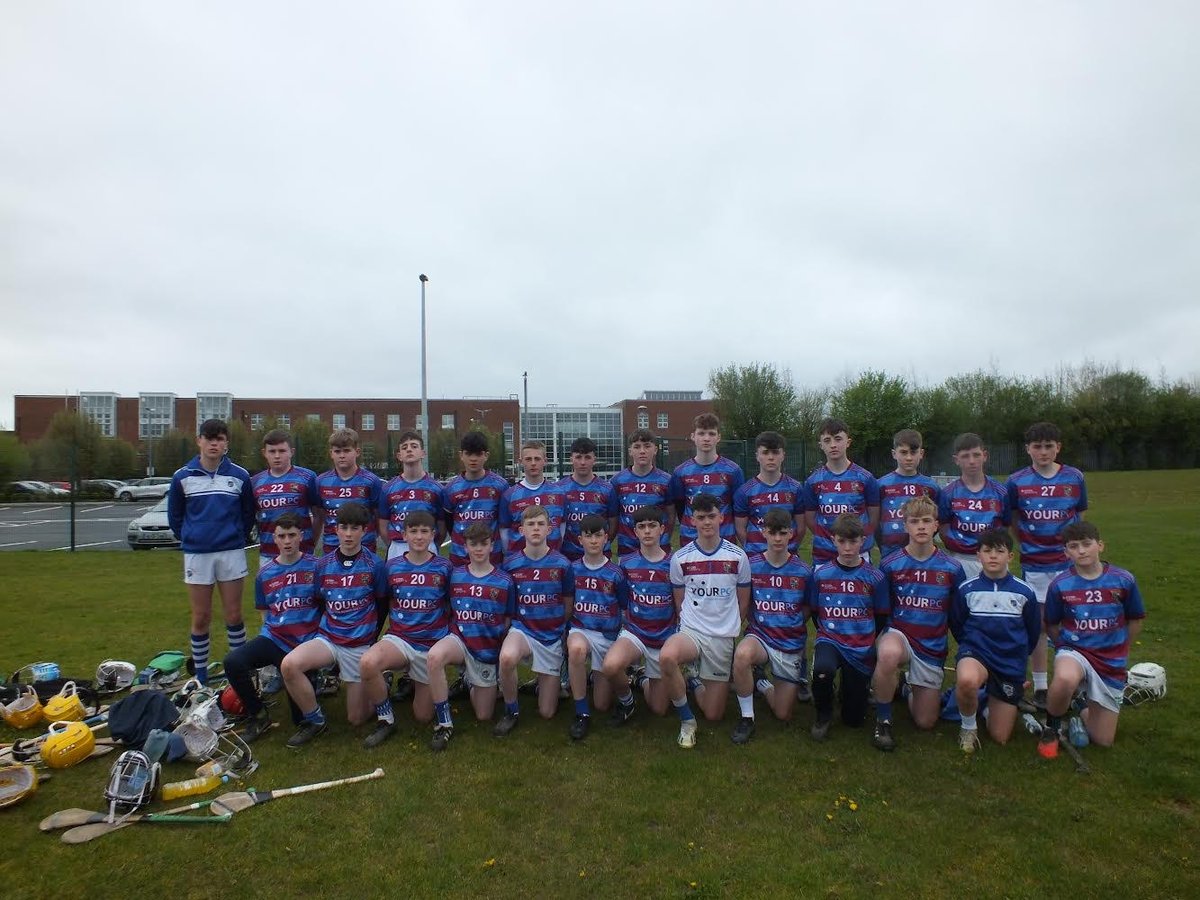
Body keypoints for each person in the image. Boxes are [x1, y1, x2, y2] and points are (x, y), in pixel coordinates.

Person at [280, 502, 386, 749]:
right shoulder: (322, 565)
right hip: (328, 638)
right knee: (289, 665)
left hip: (358, 643)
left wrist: (371, 636)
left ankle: (377, 680)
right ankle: (316, 720)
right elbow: (319, 601)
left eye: (354, 528)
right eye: (343, 527)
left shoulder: (375, 565)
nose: (348, 534)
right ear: (335, 530)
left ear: (364, 530)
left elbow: (382, 604)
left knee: (356, 719)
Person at [1038, 522, 1146, 756]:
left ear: (1100, 545)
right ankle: (1052, 727)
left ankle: (1081, 705)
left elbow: (1135, 620)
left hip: (1110, 660)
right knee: (1065, 677)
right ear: (1066, 553)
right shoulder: (1060, 585)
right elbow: (1052, 625)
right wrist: (1063, 648)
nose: (1082, 551)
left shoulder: (1123, 580)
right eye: (1074, 547)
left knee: (1103, 740)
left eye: (1087, 544)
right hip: (1075, 651)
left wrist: (1120, 647)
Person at [167, 418, 256, 686]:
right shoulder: (182, 477)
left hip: (231, 552)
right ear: (199, 441)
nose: (214, 443)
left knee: (234, 615)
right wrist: (194, 538)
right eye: (209, 438)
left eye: (219, 439)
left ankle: (237, 674)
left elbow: (248, 514)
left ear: (226, 443)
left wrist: (234, 537)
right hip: (197, 555)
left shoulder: (239, 476)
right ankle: (201, 678)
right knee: (201, 617)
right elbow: (175, 517)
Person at [872, 497, 965, 751]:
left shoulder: (952, 568)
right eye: (914, 521)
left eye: (926, 521)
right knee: (889, 654)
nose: (921, 527)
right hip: (900, 635)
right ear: (905, 526)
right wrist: (878, 643)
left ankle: (905, 689)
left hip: (931, 645)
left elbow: (957, 617)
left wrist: (967, 652)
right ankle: (883, 719)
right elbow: (882, 611)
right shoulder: (890, 564)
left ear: (936, 525)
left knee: (925, 722)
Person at [1007, 421, 1088, 709]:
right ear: (1028, 449)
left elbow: (1079, 516)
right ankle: (1041, 686)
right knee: (1040, 624)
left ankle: (1077, 682)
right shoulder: (1016, 481)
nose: (1043, 452)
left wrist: (1074, 551)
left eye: (1049, 446)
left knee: (1073, 621)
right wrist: (1028, 543)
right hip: (1035, 563)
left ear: (1058, 447)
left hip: (1068, 563)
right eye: (1037, 446)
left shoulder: (1074, 477)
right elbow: (1014, 519)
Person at [660, 493, 751, 749]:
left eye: (712, 516)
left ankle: (694, 679)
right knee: (667, 656)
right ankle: (687, 721)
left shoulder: (737, 557)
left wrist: (730, 628)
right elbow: (680, 602)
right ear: (692, 521)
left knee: (714, 714)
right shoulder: (681, 558)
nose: (707, 522)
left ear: (722, 517)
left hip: (722, 638)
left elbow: (743, 601)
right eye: (701, 517)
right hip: (692, 631)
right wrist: (688, 625)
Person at [357, 511, 454, 748]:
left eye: (424, 531)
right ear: (403, 534)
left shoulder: (444, 567)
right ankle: (386, 718)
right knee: (368, 662)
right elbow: (388, 602)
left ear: (433, 535)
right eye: (413, 531)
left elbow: (451, 606)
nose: (419, 537)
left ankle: (418, 680)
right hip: (400, 639)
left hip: (430, 645)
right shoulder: (390, 567)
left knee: (422, 716)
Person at [224, 512, 320, 742]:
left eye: (292, 535)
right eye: (281, 536)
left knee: (300, 718)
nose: (287, 541)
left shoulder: (317, 567)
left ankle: (314, 688)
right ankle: (258, 715)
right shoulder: (265, 573)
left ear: (301, 536)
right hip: (275, 638)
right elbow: (264, 612)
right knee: (233, 662)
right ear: (274, 539)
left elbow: (326, 607)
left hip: (305, 643)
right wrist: (267, 635)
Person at [424, 523, 516, 751]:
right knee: (435, 657)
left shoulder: (504, 581)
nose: (478, 549)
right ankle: (444, 722)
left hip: (485, 649)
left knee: (483, 715)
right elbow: (446, 607)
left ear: (491, 546)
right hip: (459, 640)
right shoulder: (455, 576)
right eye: (473, 544)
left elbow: (507, 619)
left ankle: (470, 680)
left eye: (483, 544)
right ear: (465, 547)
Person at [948, 527, 1040, 754]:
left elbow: (1033, 631)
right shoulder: (966, 590)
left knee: (1000, 737)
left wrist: (1016, 657)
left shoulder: (1025, 592)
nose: (992, 556)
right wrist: (969, 650)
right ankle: (968, 728)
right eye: (987, 551)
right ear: (978, 555)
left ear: (1010, 556)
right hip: (976, 653)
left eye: (999, 551)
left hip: (1008, 661)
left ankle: (989, 702)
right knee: (968, 679)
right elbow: (957, 625)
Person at [729, 508, 812, 745]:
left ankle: (763, 684)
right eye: (772, 533)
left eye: (782, 533)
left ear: (791, 534)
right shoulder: (751, 566)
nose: (777, 538)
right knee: (743, 655)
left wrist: (789, 623)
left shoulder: (804, 571)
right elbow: (744, 601)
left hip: (790, 642)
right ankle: (747, 717)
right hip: (760, 637)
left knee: (782, 713)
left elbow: (807, 607)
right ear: (763, 533)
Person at [493, 505, 574, 735]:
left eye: (540, 524)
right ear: (521, 530)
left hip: (550, 636)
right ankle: (511, 710)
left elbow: (567, 604)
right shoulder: (510, 564)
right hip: (523, 630)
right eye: (530, 524)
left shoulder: (562, 564)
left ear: (550, 529)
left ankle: (547, 680)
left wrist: (556, 628)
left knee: (547, 713)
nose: (536, 528)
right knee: (507, 658)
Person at [809, 513, 889, 741]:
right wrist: (830, 631)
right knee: (822, 670)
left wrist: (865, 637)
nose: (847, 547)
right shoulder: (821, 575)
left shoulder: (875, 577)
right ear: (833, 539)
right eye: (842, 541)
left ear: (862, 541)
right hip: (830, 640)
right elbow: (816, 612)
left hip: (860, 645)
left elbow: (881, 616)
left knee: (853, 720)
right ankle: (823, 714)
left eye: (853, 541)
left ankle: (849, 688)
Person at [602, 505, 676, 724]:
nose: (647, 531)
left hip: (664, 638)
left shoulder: (673, 563)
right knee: (611, 666)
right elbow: (622, 601)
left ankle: (642, 679)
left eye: (652, 526)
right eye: (641, 527)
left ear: (662, 529)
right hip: (636, 634)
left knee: (659, 709)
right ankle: (627, 702)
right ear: (635, 532)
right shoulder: (626, 563)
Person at [564, 515, 629, 740]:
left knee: (602, 704)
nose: (593, 541)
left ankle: (608, 676)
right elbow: (569, 604)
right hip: (581, 630)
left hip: (607, 635)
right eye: (588, 536)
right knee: (576, 650)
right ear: (579, 539)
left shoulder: (616, 573)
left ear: (606, 538)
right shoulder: (572, 570)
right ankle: (581, 713)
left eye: (598, 535)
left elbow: (624, 609)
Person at [803, 418, 880, 566]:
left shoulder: (865, 478)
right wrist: (830, 540)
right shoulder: (813, 481)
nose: (833, 445)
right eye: (827, 440)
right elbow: (811, 520)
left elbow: (873, 519)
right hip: (824, 554)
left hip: (858, 554)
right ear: (821, 445)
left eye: (838, 439)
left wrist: (854, 542)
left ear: (848, 442)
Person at [937, 433, 1009, 580]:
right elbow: (943, 526)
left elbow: (1006, 525)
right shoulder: (947, 493)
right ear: (956, 460)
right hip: (959, 560)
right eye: (965, 456)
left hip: (992, 558)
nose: (972, 461)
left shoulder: (1001, 492)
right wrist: (958, 546)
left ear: (985, 456)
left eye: (976, 455)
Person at [670, 414, 744, 547]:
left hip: (725, 540)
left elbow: (737, 508)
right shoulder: (680, 472)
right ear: (693, 436)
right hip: (690, 540)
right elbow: (680, 507)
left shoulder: (733, 470)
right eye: (701, 433)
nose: (706, 438)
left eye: (711, 433)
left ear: (718, 437)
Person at [251, 428, 321, 563]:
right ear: (264, 453)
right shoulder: (255, 482)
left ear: (291, 452)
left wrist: (311, 542)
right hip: (268, 555)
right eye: (272, 451)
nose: (277, 456)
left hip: (303, 554)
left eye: (282, 451)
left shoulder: (308, 477)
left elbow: (318, 515)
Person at [733, 430, 806, 557]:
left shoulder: (796, 488)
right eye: (765, 452)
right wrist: (755, 551)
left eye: (775, 452)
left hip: (788, 557)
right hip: (756, 559)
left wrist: (790, 548)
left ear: (783, 455)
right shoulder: (745, 491)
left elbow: (801, 528)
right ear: (757, 456)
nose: (771, 457)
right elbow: (740, 529)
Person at [377, 429, 446, 561]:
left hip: (427, 547)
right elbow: (383, 526)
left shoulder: (437, 489)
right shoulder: (388, 489)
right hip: (398, 547)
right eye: (405, 447)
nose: (409, 450)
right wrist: (394, 545)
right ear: (399, 456)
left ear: (423, 453)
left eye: (414, 446)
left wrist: (432, 544)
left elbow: (442, 528)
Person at [443, 430, 509, 566]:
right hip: (460, 559)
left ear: (486, 455)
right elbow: (449, 523)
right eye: (468, 454)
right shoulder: (451, 488)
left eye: (478, 454)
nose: (473, 459)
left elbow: (504, 522)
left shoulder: (500, 486)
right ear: (461, 455)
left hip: (492, 559)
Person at [315, 427, 383, 556]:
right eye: (337, 451)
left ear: (357, 452)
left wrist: (369, 536)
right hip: (331, 549)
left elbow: (378, 517)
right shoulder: (321, 481)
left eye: (346, 450)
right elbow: (320, 515)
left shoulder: (371, 481)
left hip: (365, 549)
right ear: (331, 453)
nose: (341, 455)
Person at [611, 429, 676, 556]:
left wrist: (663, 540)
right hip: (627, 551)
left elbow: (671, 516)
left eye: (647, 446)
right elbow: (614, 517)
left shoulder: (666, 480)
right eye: (637, 447)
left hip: (658, 550)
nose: (642, 451)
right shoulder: (617, 481)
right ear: (630, 451)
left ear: (655, 450)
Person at [875, 429, 940, 554]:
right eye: (903, 452)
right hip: (890, 551)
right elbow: (875, 521)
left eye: (913, 452)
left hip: (921, 551)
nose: (909, 457)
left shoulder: (931, 487)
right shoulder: (881, 485)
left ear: (921, 453)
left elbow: (938, 519)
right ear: (894, 454)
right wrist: (882, 544)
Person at [500, 440, 566, 555]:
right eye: (528, 459)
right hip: (520, 563)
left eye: (537, 459)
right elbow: (504, 531)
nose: (533, 463)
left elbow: (562, 526)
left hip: (552, 562)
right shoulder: (510, 495)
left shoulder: (559, 493)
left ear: (545, 461)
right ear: (521, 462)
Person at [559, 437, 618, 562]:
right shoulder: (559, 489)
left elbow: (613, 523)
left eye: (587, 457)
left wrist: (601, 544)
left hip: (599, 555)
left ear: (594, 460)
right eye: (578, 457)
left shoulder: (607, 489)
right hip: (568, 554)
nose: (583, 462)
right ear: (571, 459)